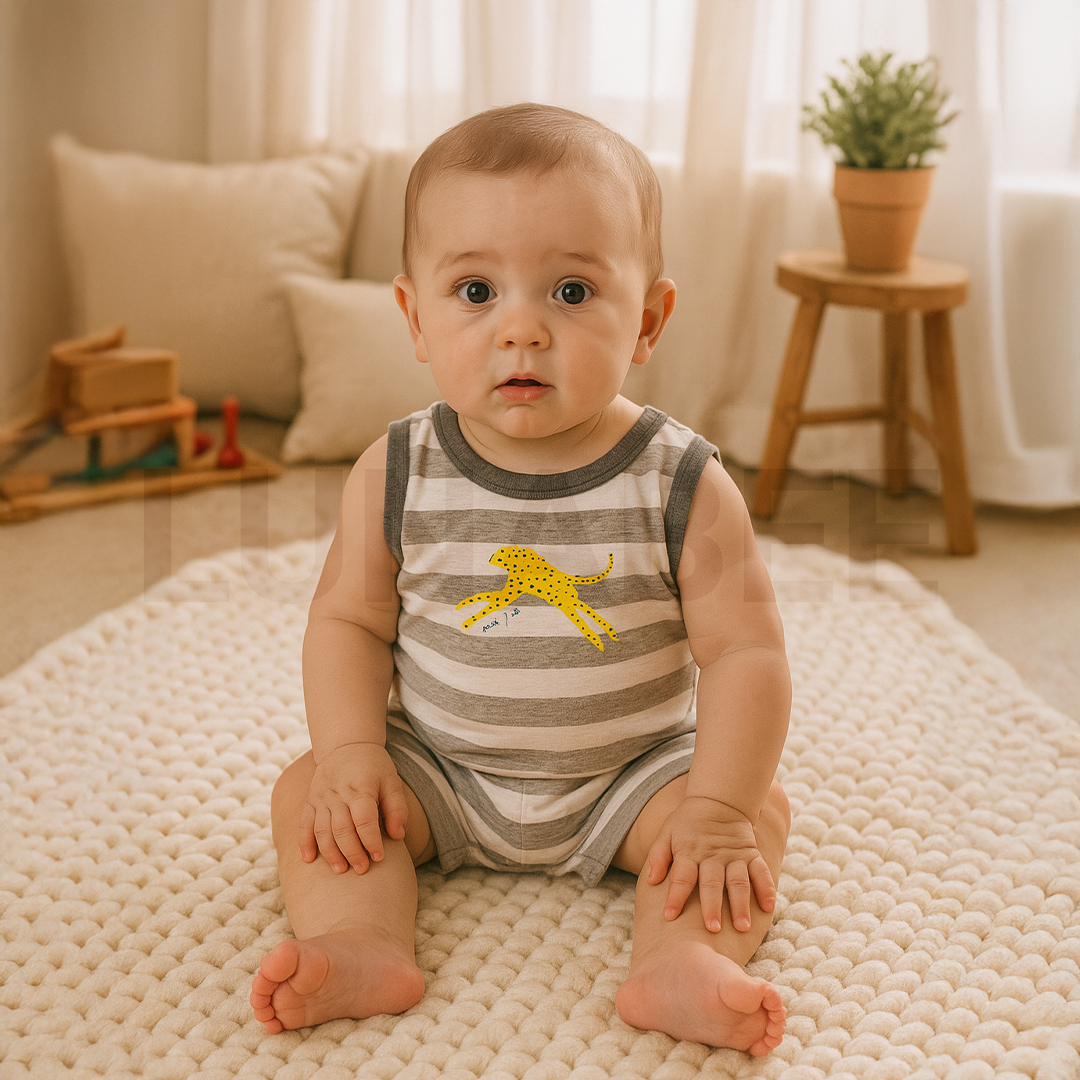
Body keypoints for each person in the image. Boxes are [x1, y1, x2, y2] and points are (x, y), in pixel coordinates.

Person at [250, 103, 792, 1056]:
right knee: (311, 796)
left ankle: (681, 961)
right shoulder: (397, 468)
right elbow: (346, 622)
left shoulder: (682, 480)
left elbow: (746, 651)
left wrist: (715, 810)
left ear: (649, 320)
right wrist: (349, 754)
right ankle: (361, 939)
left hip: (631, 778)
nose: (523, 331)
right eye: (474, 291)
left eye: (573, 293)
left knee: (750, 815)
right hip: (440, 771)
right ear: (415, 317)